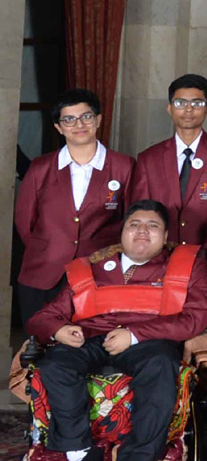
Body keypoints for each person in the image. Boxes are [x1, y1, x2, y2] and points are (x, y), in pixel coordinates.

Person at [26, 199, 207, 461]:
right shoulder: (90, 269)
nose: (142, 232)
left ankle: (139, 458)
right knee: (55, 364)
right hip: (91, 339)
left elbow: (197, 316)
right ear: (122, 232)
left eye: (152, 226)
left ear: (166, 237)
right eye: (134, 225)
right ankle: (78, 452)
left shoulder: (190, 267)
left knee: (162, 364)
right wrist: (59, 329)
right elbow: (43, 317)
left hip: (150, 344)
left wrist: (135, 334)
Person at [16, 89, 134, 323]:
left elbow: (130, 220)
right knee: (39, 349)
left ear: (98, 120)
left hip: (98, 274)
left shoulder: (124, 166)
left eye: (86, 116)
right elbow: (25, 222)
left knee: (90, 349)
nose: (78, 124)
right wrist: (52, 249)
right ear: (59, 127)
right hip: (43, 273)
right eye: (68, 119)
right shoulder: (40, 168)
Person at [128, 74, 207, 248]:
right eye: (180, 103)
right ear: (169, 108)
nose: (189, 110)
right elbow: (140, 214)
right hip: (160, 256)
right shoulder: (149, 158)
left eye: (197, 103)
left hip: (206, 255)